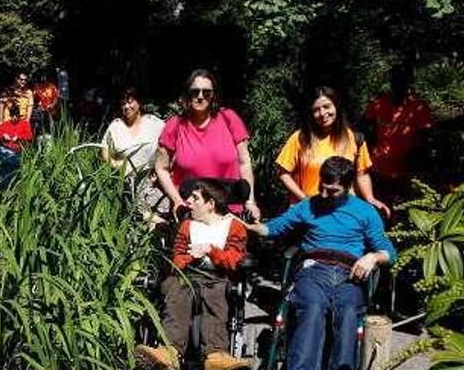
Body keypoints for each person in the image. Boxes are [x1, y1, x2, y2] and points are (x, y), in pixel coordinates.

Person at [246, 157, 397, 370]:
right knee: (313, 308)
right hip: (314, 268)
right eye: (322, 187)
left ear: (348, 186)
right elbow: (275, 228)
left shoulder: (365, 212)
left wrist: (372, 257)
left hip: (350, 272)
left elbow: (390, 253)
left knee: (347, 313)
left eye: (333, 191)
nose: (324, 195)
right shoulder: (308, 205)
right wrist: (253, 227)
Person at [135, 179, 249, 370]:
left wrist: (210, 250)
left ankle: (215, 355)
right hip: (186, 275)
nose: (188, 201)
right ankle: (170, 351)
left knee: (215, 295)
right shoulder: (187, 225)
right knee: (175, 291)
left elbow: (233, 259)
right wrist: (190, 258)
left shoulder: (234, 226)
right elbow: (177, 257)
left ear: (210, 204)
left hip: (216, 276)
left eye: (195, 198)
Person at [155, 69, 259, 221]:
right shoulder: (175, 125)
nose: (200, 96)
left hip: (230, 213)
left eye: (207, 92)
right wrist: (177, 201)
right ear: (187, 95)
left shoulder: (229, 119)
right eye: (195, 92)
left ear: (213, 96)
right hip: (191, 213)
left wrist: (250, 202)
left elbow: (244, 163)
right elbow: (161, 168)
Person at [276, 86, 390, 217]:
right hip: (311, 213)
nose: (323, 113)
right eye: (316, 110)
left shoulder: (354, 138)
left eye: (326, 107)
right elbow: (283, 173)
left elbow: (361, 174)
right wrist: (304, 200)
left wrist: (370, 198)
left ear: (336, 106)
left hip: (345, 213)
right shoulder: (300, 138)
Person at [363, 64, 432, 205]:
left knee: (403, 207)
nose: (398, 83)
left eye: (402, 80)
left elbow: (425, 138)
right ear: (391, 81)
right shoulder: (378, 104)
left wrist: (417, 161)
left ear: (408, 82)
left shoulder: (418, 107)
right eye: (395, 79)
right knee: (379, 205)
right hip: (378, 167)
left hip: (406, 169)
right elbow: (365, 129)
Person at [101, 88, 166, 222]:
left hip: (156, 180)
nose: (126, 107)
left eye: (130, 102)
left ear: (139, 103)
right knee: (141, 218)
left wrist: (162, 167)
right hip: (129, 183)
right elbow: (104, 154)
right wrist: (117, 165)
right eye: (123, 104)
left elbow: (170, 144)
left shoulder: (153, 123)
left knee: (162, 215)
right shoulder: (116, 126)